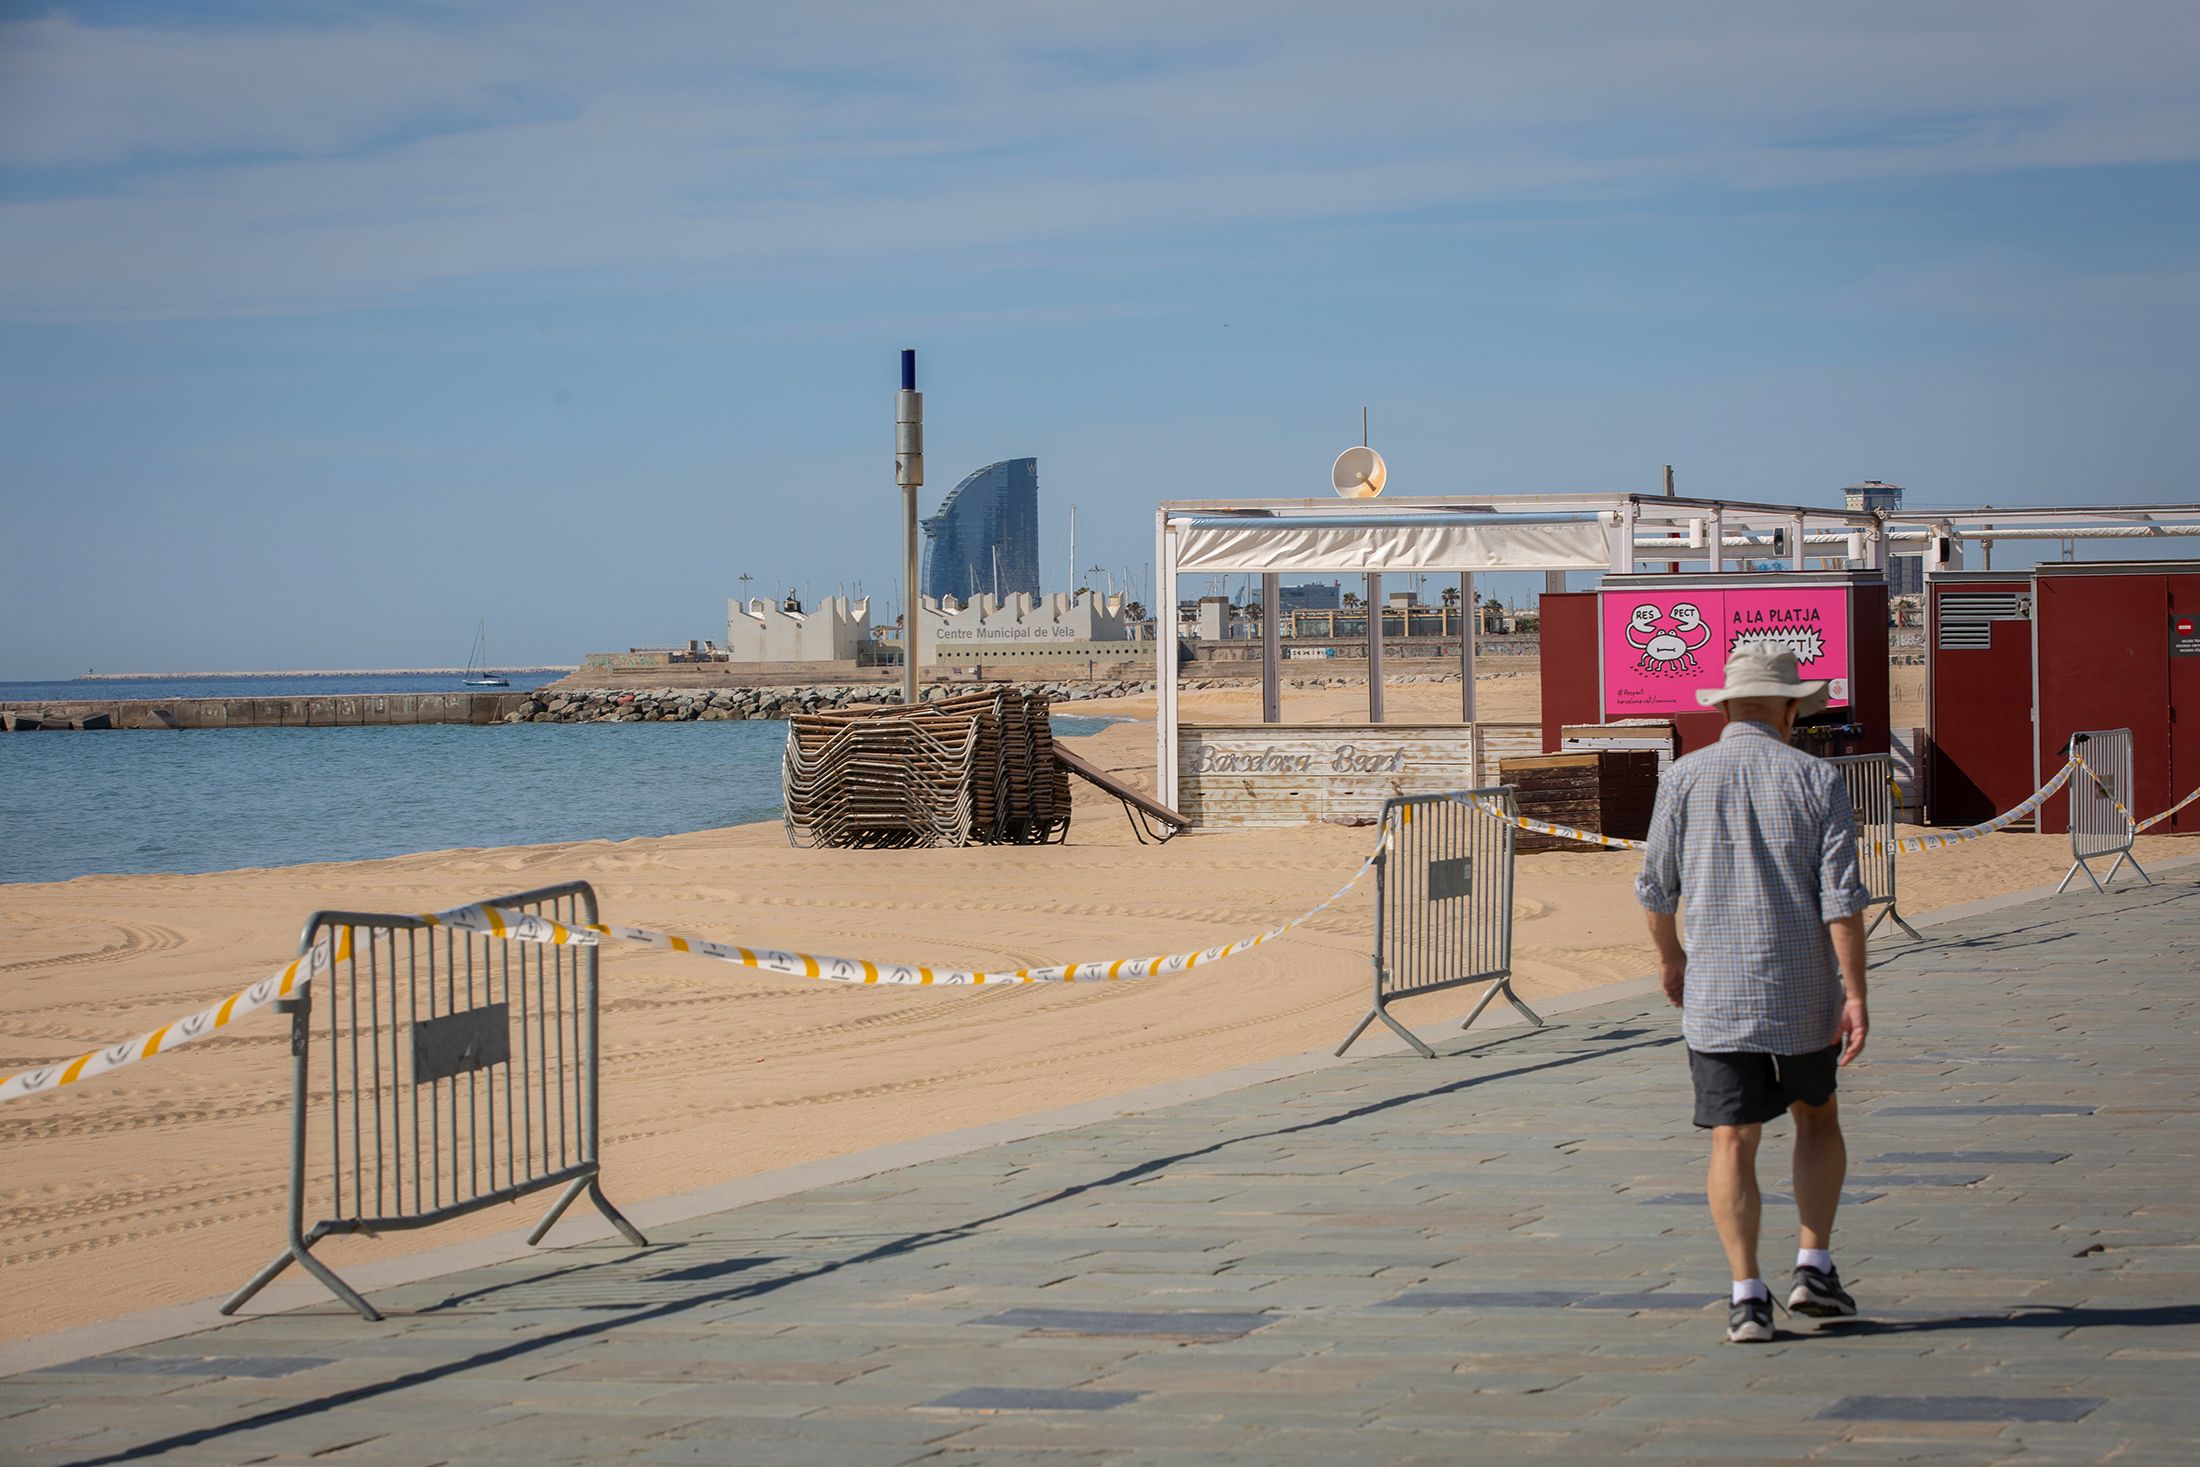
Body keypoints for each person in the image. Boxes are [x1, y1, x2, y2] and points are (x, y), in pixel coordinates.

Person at [1634, 644, 1872, 1343]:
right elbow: (1841, 899)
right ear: (1793, 707)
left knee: (1732, 1137)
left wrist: (1670, 956)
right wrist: (1854, 991)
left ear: (1726, 705)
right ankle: (1814, 1264)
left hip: (1717, 991)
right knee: (1816, 1119)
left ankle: (1746, 1295)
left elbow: (1655, 886)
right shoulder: (1816, 778)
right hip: (1802, 988)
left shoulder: (1683, 777)